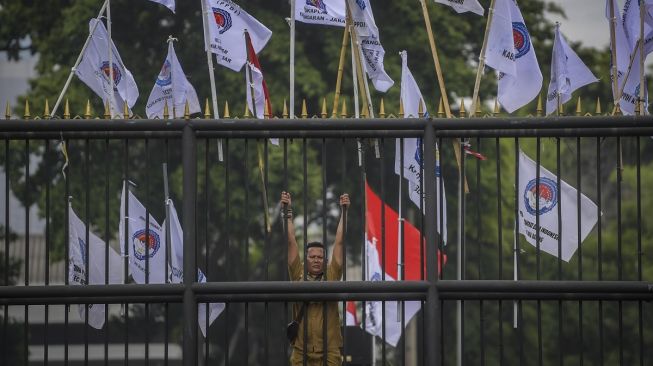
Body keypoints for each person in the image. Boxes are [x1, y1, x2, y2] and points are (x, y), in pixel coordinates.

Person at [281, 191, 350, 366]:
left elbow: (340, 242)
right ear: (306, 260)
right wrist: (287, 213)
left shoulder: (332, 274)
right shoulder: (298, 273)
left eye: (320, 257)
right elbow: (291, 242)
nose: (316, 260)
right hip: (301, 350)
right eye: (312, 257)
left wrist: (344, 212)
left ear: (325, 260)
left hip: (330, 350)